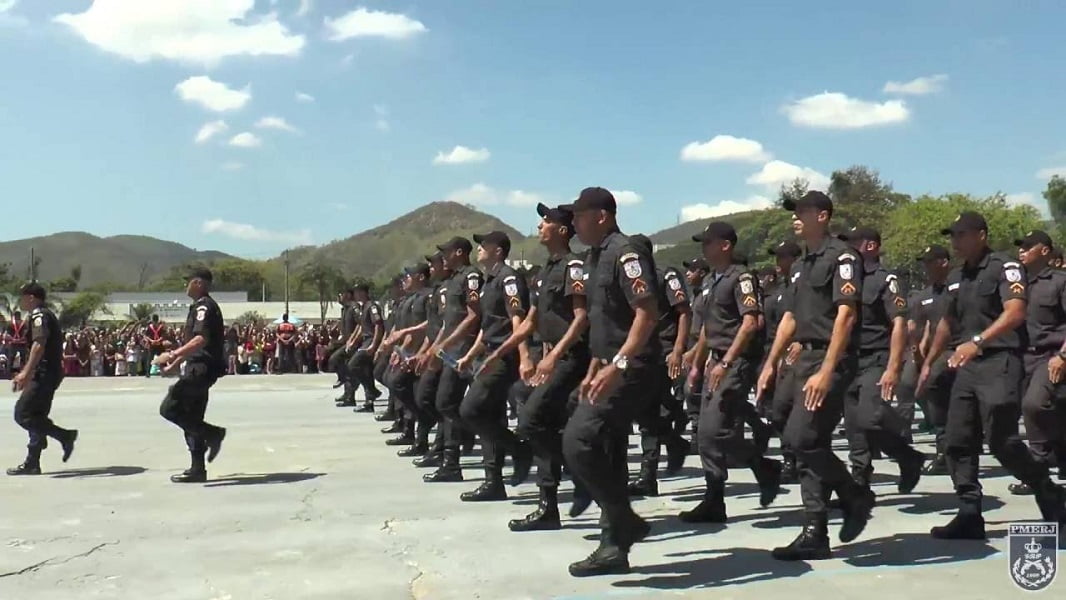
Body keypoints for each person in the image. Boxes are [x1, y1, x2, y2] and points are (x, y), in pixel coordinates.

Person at [919, 212, 1066, 538]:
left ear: (981, 235)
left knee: (1002, 440)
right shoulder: (957, 276)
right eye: (953, 235)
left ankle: (1045, 486)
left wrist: (978, 341)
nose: (955, 241)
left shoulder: (1005, 267)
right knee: (957, 441)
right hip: (967, 366)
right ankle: (970, 513)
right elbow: (946, 322)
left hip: (1001, 360)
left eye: (961, 234)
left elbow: (1015, 312)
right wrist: (929, 362)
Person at [755, 190, 874, 561]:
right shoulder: (804, 263)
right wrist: (770, 364)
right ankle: (815, 529)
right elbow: (789, 318)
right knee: (799, 439)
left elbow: (847, 315)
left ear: (822, 216)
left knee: (803, 437)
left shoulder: (843, 257)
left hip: (828, 359)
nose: (796, 217)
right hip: (801, 360)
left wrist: (826, 370)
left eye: (803, 211)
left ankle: (854, 495)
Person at [559, 187, 659, 577]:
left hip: (634, 368)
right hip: (609, 364)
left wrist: (617, 365)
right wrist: (594, 368)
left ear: (601, 216)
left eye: (579, 217)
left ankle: (624, 519)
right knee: (605, 446)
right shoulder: (595, 257)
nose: (574, 224)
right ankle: (613, 545)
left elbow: (646, 313)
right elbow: (605, 324)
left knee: (578, 440)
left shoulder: (627, 253)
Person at [485, 203, 590, 530]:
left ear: (562, 230)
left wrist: (552, 355)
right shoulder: (546, 270)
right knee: (543, 424)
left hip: (572, 358)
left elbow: (581, 317)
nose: (540, 226)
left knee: (530, 421)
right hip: (552, 356)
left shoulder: (574, 266)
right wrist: (504, 350)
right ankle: (549, 506)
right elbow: (531, 320)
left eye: (546, 222)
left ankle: (583, 477)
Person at [680, 222, 781, 523]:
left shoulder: (741, 278)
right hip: (716, 360)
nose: (704, 248)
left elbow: (751, 322)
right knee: (709, 433)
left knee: (711, 431)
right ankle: (739, 481)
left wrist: (725, 363)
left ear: (725, 245)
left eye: (708, 243)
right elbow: (708, 331)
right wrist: (698, 364)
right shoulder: (711, 280)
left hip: (736, 363)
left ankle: (725, 491)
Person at [836, 226, 926, 496]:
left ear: (872, 246)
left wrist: (893, 367)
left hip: (876, 357)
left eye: (855, 243)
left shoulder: (886, 280)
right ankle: (860, 483)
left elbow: (899, 324)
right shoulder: (844, 279)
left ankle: (907, 456)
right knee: (853, 425)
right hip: (850, 360)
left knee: (869, 418)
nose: (848, 249)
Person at [453, 231, 533, 501]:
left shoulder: (509, 278)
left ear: (498, 250)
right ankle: (493, 481)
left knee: (471, 409)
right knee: (490, 415)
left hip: (503, 355)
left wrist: (523, 356)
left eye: (484, 245)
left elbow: (517, 320)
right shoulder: (489, 282)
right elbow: (487, 328)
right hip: (488, 352)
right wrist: (471, 354)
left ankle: (519, 449)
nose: (479, 249)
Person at [626, 235, 691, 497]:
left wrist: (678, 350)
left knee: (650, 412)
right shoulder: (632, 280)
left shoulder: (666, 275)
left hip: (663, 350)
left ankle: (648, 474)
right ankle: (671, 446)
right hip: (641, 352)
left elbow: (684, 311)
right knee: (645, 412)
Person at [153, 267, 228, 483]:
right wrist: (174, 364)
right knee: (192, 418)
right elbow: (193, 345)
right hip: (198, 366)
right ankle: (198, 469)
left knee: (170, 408)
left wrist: (171, 354)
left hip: (201, 368)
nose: (185, 286)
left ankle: (213, 434)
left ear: (198, 283)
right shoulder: (198, 307)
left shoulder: (204, 306)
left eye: (188, 281)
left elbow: (200, 340)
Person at [423, 237, 483, 483]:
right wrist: (437, 346)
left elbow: (474, 315)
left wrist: (445, 344)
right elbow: (448, 322)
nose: (443, 256)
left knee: (449, 402)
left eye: (446, 252)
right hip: (452, 350)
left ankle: (453, 459)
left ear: (460, 252)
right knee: (446, 402)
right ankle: (451, 459)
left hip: (467, 349)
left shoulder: (471, 276)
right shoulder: (453, 280)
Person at [1011, 231, 1066, 495]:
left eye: (1028, 247)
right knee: (1021, 409)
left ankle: (1039, 466)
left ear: (1044, 251)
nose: (1022, 251)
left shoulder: (1059, 282)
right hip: (1022, 356)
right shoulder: (1014, 286)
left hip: (1052, 353)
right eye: (1021, 247)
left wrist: (1063, 357)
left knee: (1034, 404)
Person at [7, 283, 78, 476]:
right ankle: (32, 462)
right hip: (48, 372)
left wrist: (26, 372)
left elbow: (39, 344)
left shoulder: (40, 315)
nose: (20, 301)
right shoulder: (42, 315)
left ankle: (65, 436)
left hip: (44, 373)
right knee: (36, 416)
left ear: (31, 297)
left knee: (23, 414)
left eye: (22, 297)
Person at [908, 245, 954, 475]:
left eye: (930, 262)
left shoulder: (957, 287)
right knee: (936, 405)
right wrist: (920, 357)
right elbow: (923, 330)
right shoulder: (924, 296)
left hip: (959, 351)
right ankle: (943, 452)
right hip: (936, 357)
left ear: (944, 262)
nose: (926, 267)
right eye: (924, 262)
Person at [762, 241, 802, 483]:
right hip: (774, 353)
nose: (778, 264)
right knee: (776, 410)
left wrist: (798, 342)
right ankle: (790, 456)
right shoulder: (780, 292)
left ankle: (795, 459)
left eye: (783, 258)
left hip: (798, 354)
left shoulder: (803, 284)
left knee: (793, 409)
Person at [349, 283, 384, 413]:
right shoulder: (363, 307)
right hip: (365, 340)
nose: (355, 294)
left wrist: (374, 345)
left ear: (364, 292)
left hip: (370, 340)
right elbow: (361, 327)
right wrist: (353, 341)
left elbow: (378, 326)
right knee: (366, 371)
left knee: (353, 365)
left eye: (357, 291)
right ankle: (369, 401)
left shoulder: (372, 306)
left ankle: (373, 391)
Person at [329, 287, 360, 405]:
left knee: (336, 360)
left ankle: (346, 384)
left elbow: (360, 325)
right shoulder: (345, 309)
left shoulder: (354, 307)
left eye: (341, 294)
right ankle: (348, 395)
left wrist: (353, 340)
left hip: (354, 343)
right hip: (346, 342)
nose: (339, 296)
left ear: (347, 294)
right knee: (346, 368)